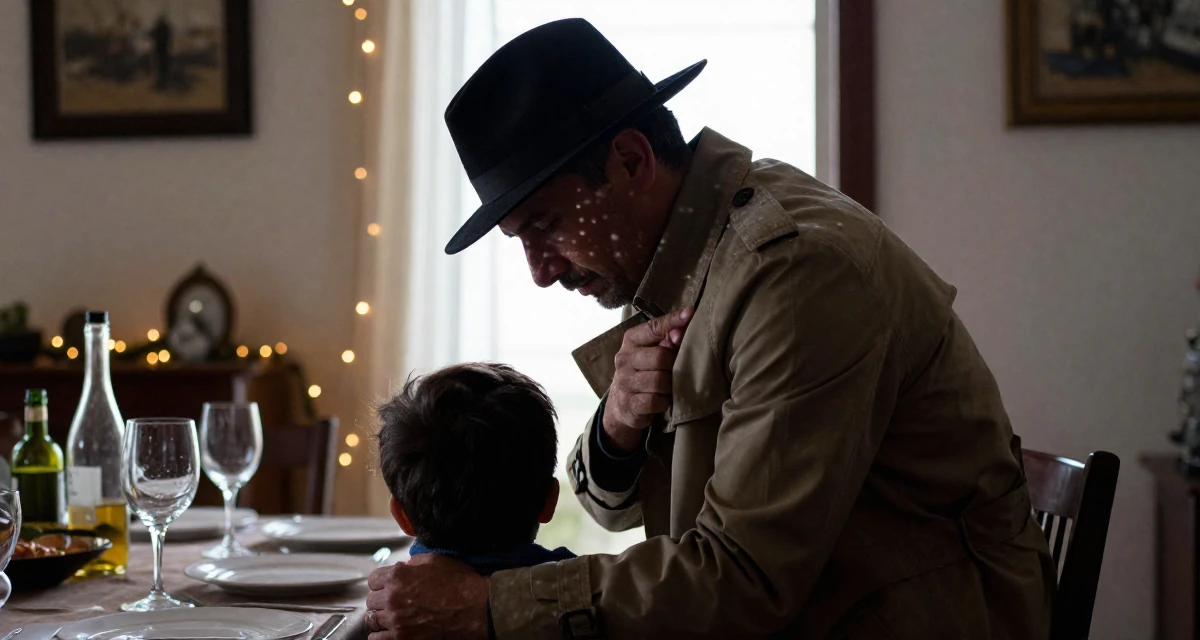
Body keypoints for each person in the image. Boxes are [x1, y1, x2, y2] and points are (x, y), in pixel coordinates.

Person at [366, 18, 1055, 640]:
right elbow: (610, 508)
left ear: (632, 161)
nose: (540, 273)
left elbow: (744, 583)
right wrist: (615, 432)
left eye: (546, 226)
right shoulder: (681, 260)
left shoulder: (795, 279)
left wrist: (488, 607)